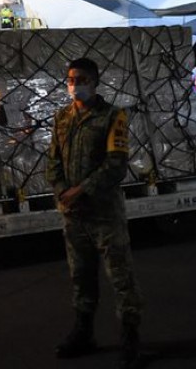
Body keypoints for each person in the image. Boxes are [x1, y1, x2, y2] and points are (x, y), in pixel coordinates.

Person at [46, 57, 143, 369]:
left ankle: (130, 338)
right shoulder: (62, 117)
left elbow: (117, 164)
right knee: (81, 276)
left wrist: (82, 190)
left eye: (82, 79)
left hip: (104, 214)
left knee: (120, 276)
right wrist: (61, 188)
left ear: (95, 82)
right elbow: (53, 161)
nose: (76, 84)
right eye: (72, 78)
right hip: (74, 215)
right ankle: (84, 332)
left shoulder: (113, 116)